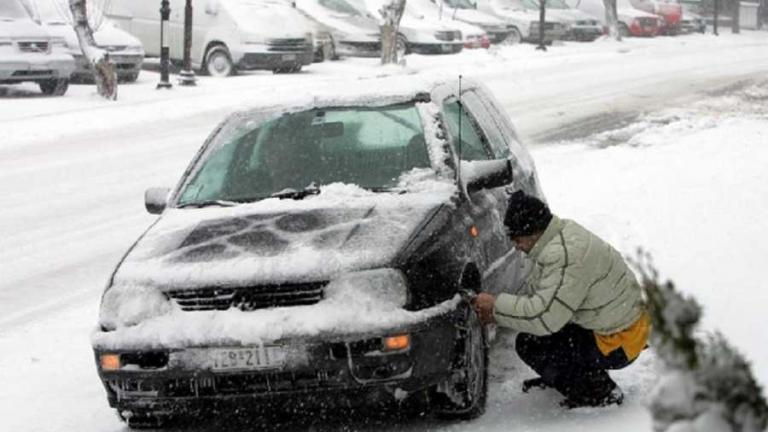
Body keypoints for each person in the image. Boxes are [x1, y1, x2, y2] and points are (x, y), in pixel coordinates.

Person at [473, 191, 650, 409]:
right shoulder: (559, 236)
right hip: (618, 325)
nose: (516, 246)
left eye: (517, 239)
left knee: (531, 344)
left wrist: (496, 306)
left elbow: (545, 318)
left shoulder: (564, 255)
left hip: (620, 341)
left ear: (533, 232)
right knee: (548, 338)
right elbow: (543, 296)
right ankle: (576, 376)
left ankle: (597, 391)